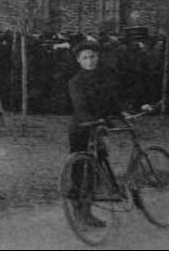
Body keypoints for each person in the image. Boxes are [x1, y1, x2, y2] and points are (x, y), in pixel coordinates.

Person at [67, 41, 123, 228]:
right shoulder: (76, 82)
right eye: (85, 58)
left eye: (92, 57)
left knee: (95, 171)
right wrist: (94, 121)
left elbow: (112, 102)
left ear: (98, 58)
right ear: (78, 61)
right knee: (81, 171)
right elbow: (80, 106)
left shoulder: (105, 78)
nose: (89, 61)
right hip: (82, 129)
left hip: (99, 128)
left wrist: (122, 114)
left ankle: (88, 213)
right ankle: (79, 214)